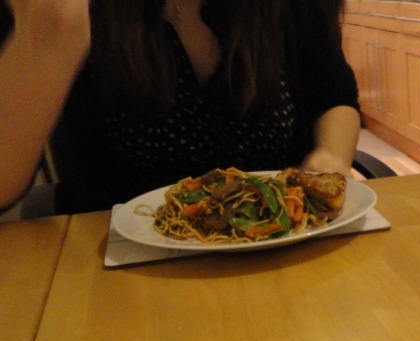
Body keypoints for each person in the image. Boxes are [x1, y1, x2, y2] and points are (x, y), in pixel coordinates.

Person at [0, 0, 360, 214]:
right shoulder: (57, 10)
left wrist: (332, 157)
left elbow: (334, 96)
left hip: (281, 248)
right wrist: (45, 43)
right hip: (114, 274)